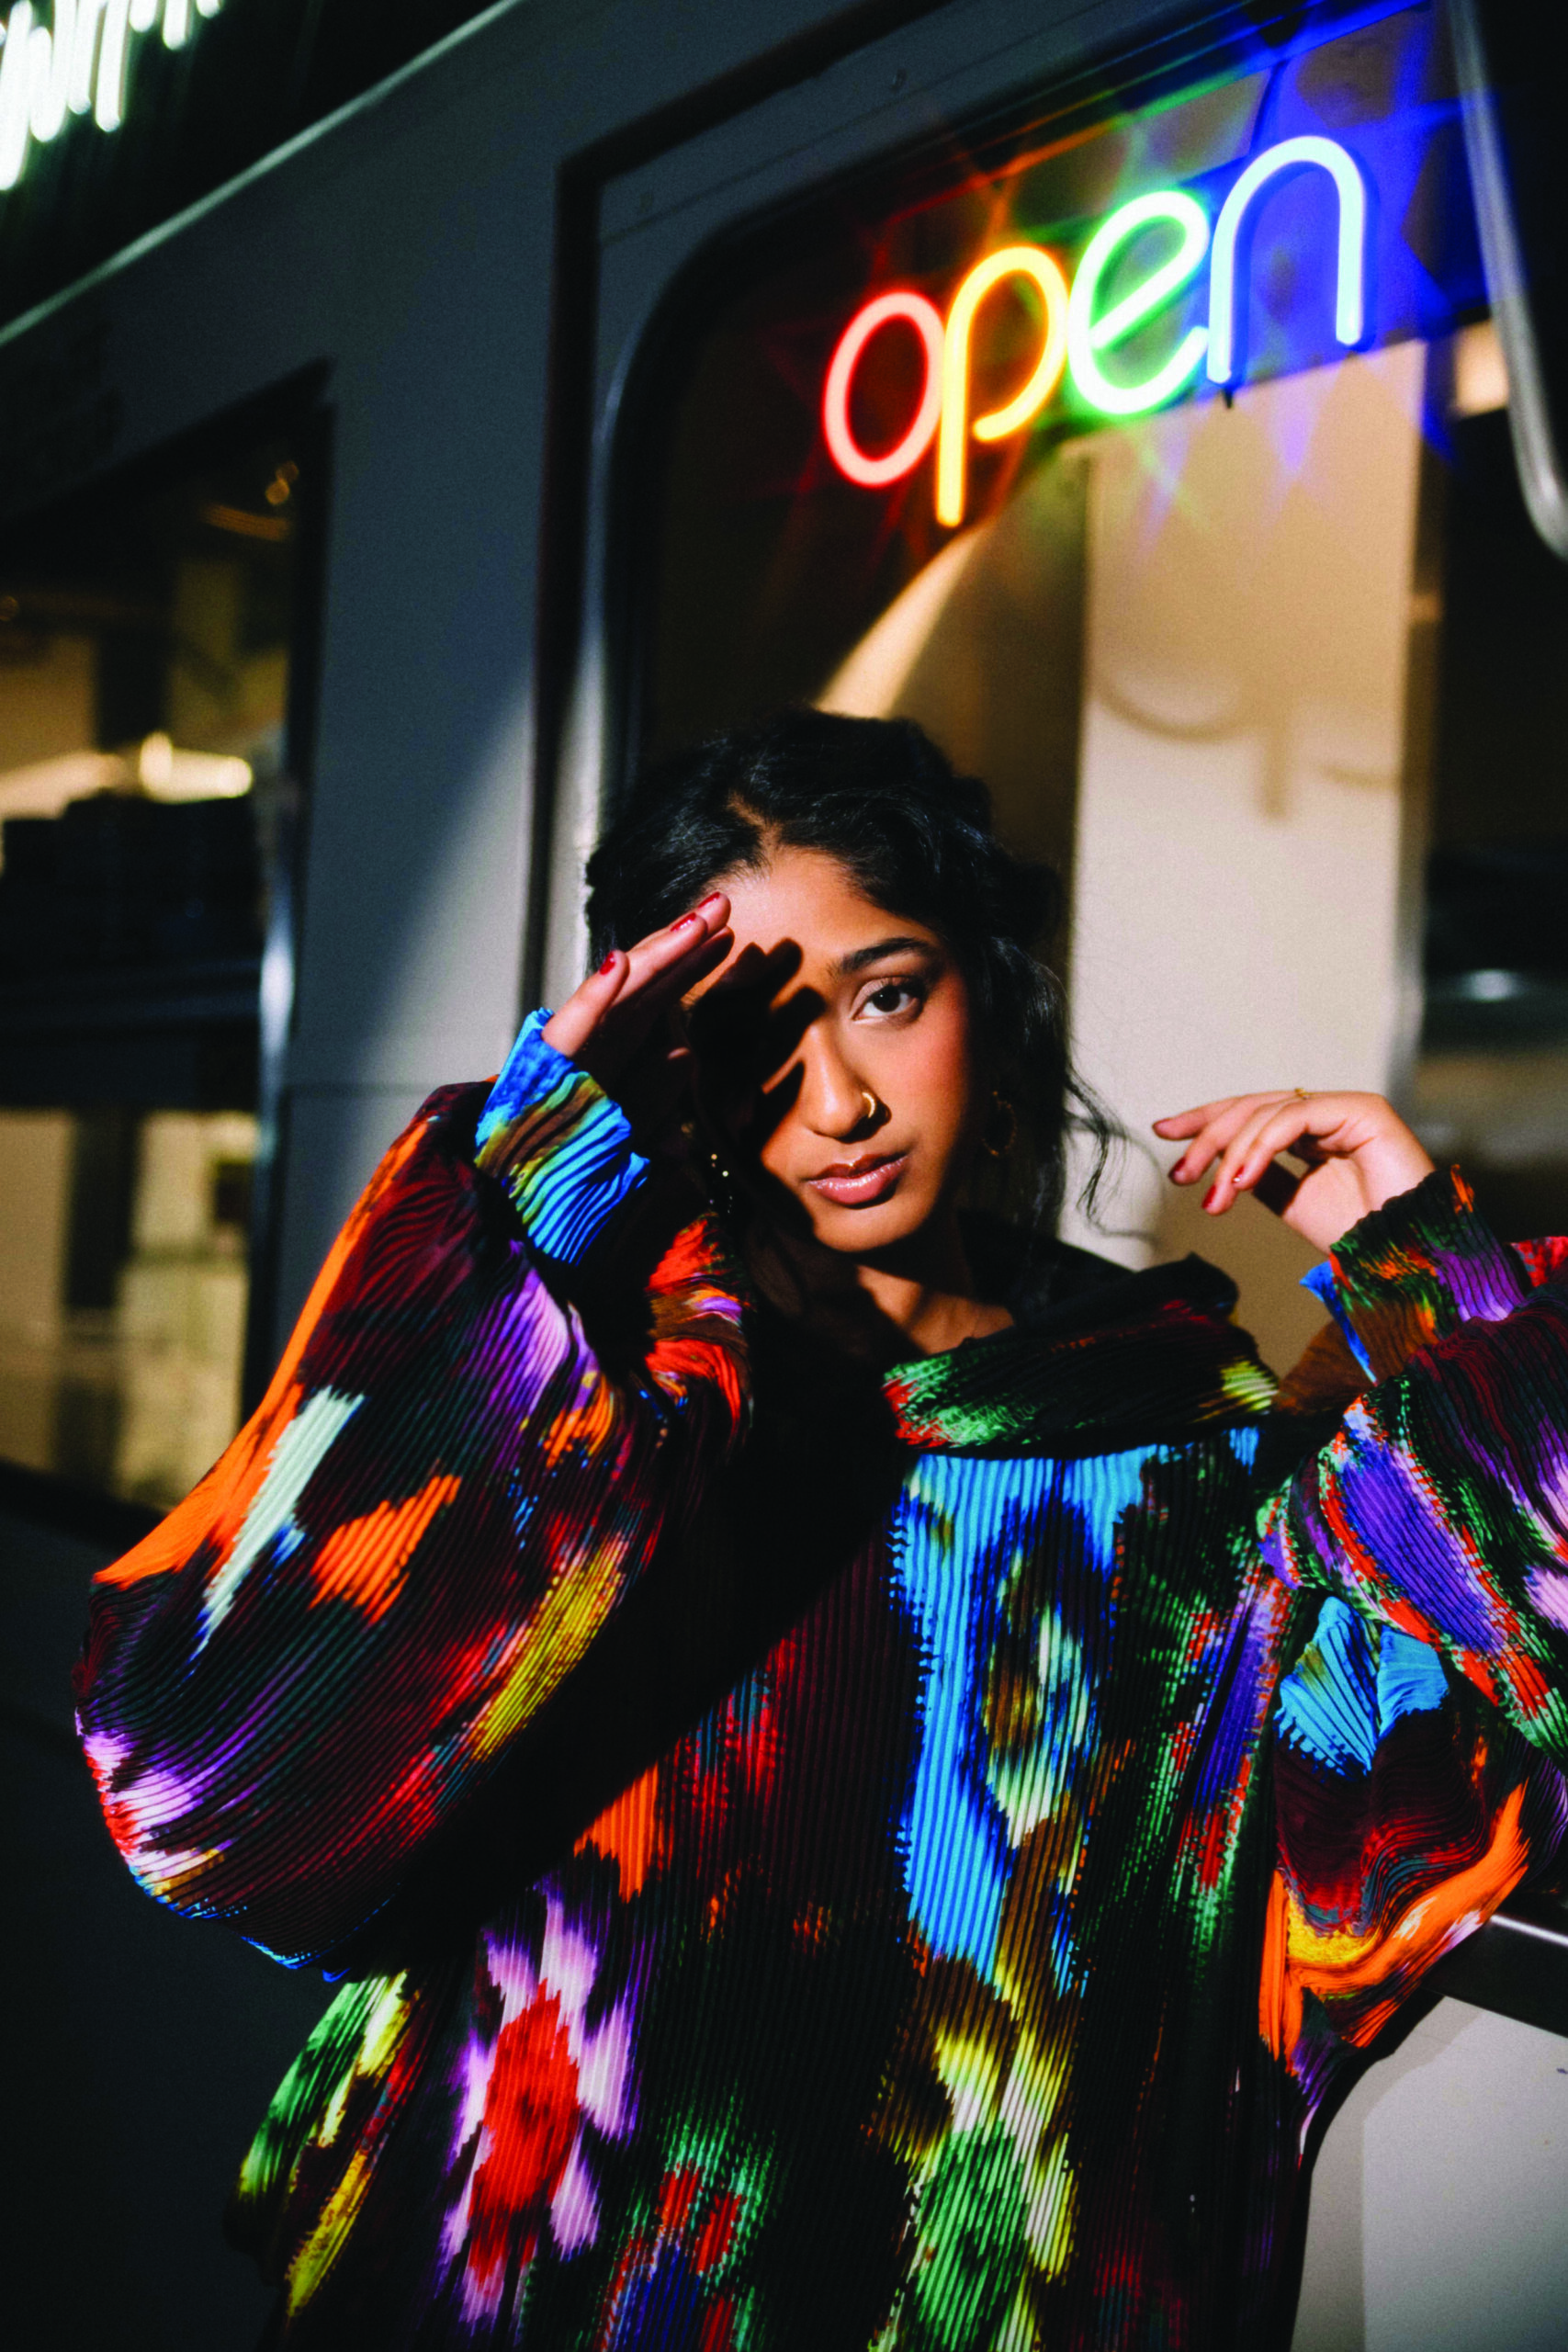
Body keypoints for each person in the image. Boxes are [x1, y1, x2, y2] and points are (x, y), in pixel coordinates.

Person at [76, 711, 1568, 2350]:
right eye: (761, 1031)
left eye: (887, 994)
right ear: (672, 1062)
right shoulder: (596, 1406)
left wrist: (1439, 1286)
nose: (844, 1100)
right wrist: (531, 1184)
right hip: (521, 2280)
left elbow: (1438, 1771)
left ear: (986, 990)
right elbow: (209, 1795)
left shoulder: (1170, 1448)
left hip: (961, 2293)